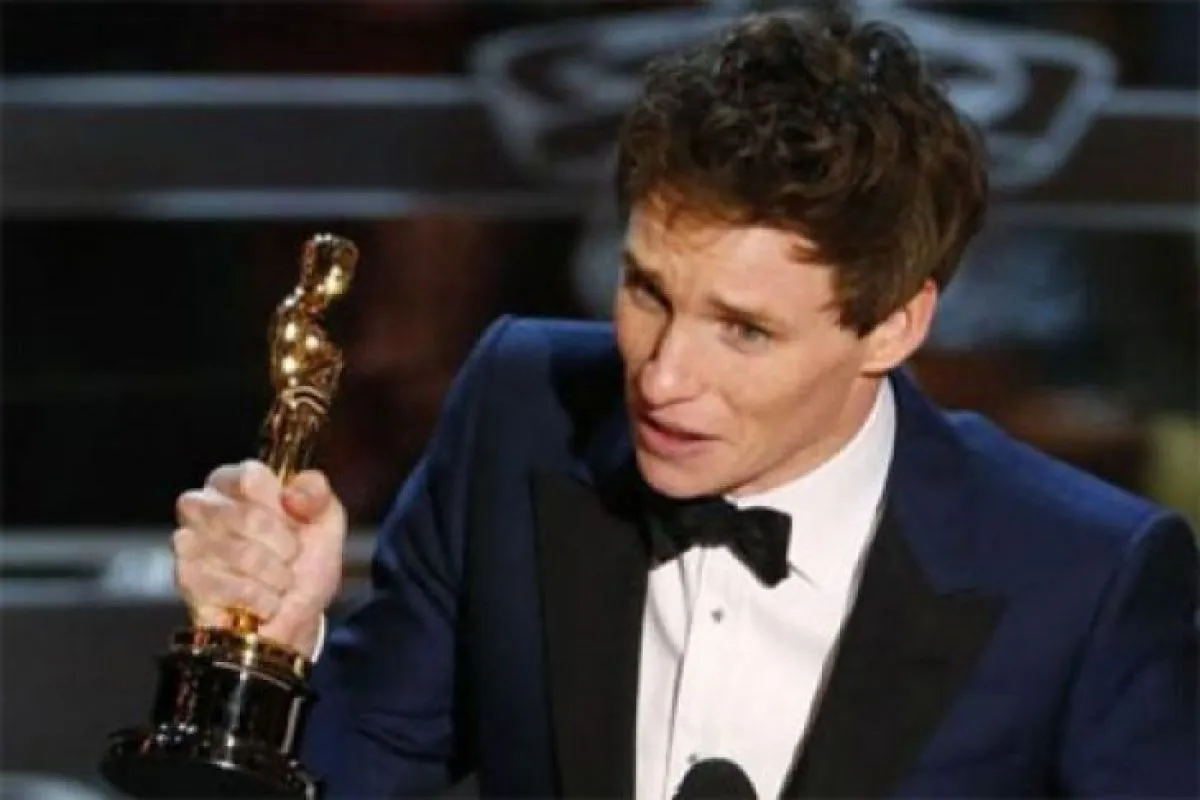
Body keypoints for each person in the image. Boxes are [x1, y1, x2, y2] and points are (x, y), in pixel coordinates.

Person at [171, 8, 1198, 799]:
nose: (663, 377)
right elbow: (361, 766)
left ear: (893, 325)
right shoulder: (523, 415)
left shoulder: (1079, 579)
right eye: (648, 293)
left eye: (743, 330)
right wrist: (269, 651)